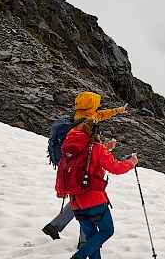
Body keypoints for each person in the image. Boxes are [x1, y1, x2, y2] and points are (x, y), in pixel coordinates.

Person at [42, 91, 128, 246]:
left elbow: (98, 118)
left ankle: (55, 226)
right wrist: (105, 148)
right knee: (88, 204)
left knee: (78, 200)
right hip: (84, 170)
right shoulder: (88, 122)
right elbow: (88, 149)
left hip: (73, 165)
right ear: (91, 104)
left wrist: (117, 110)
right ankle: (84, 241)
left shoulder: (78, 115)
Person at [63, 118, 138, 259]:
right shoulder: (96, 149)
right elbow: (116, 168)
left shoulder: (73, 148)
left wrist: (106, 148)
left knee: (91, 236)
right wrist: (131, 163)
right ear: (97, 133)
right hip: (94, 200)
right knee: (106, 230)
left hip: (76, 201)